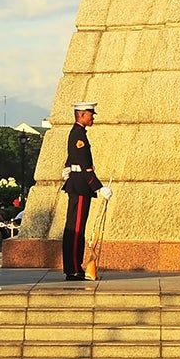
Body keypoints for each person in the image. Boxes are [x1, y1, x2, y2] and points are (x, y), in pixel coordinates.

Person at [60, 101, 110, 281]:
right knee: (76, 229)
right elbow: (85, 166)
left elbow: (73, 157)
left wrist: (67, 167)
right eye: (91, 113)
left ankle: (73, 267)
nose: (93, 116)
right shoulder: (79, 134)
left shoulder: (76, 133)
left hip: (77, 183)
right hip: (81, 186)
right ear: (81, 115)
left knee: (74, 227)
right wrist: (99, 187)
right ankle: (73, 269)